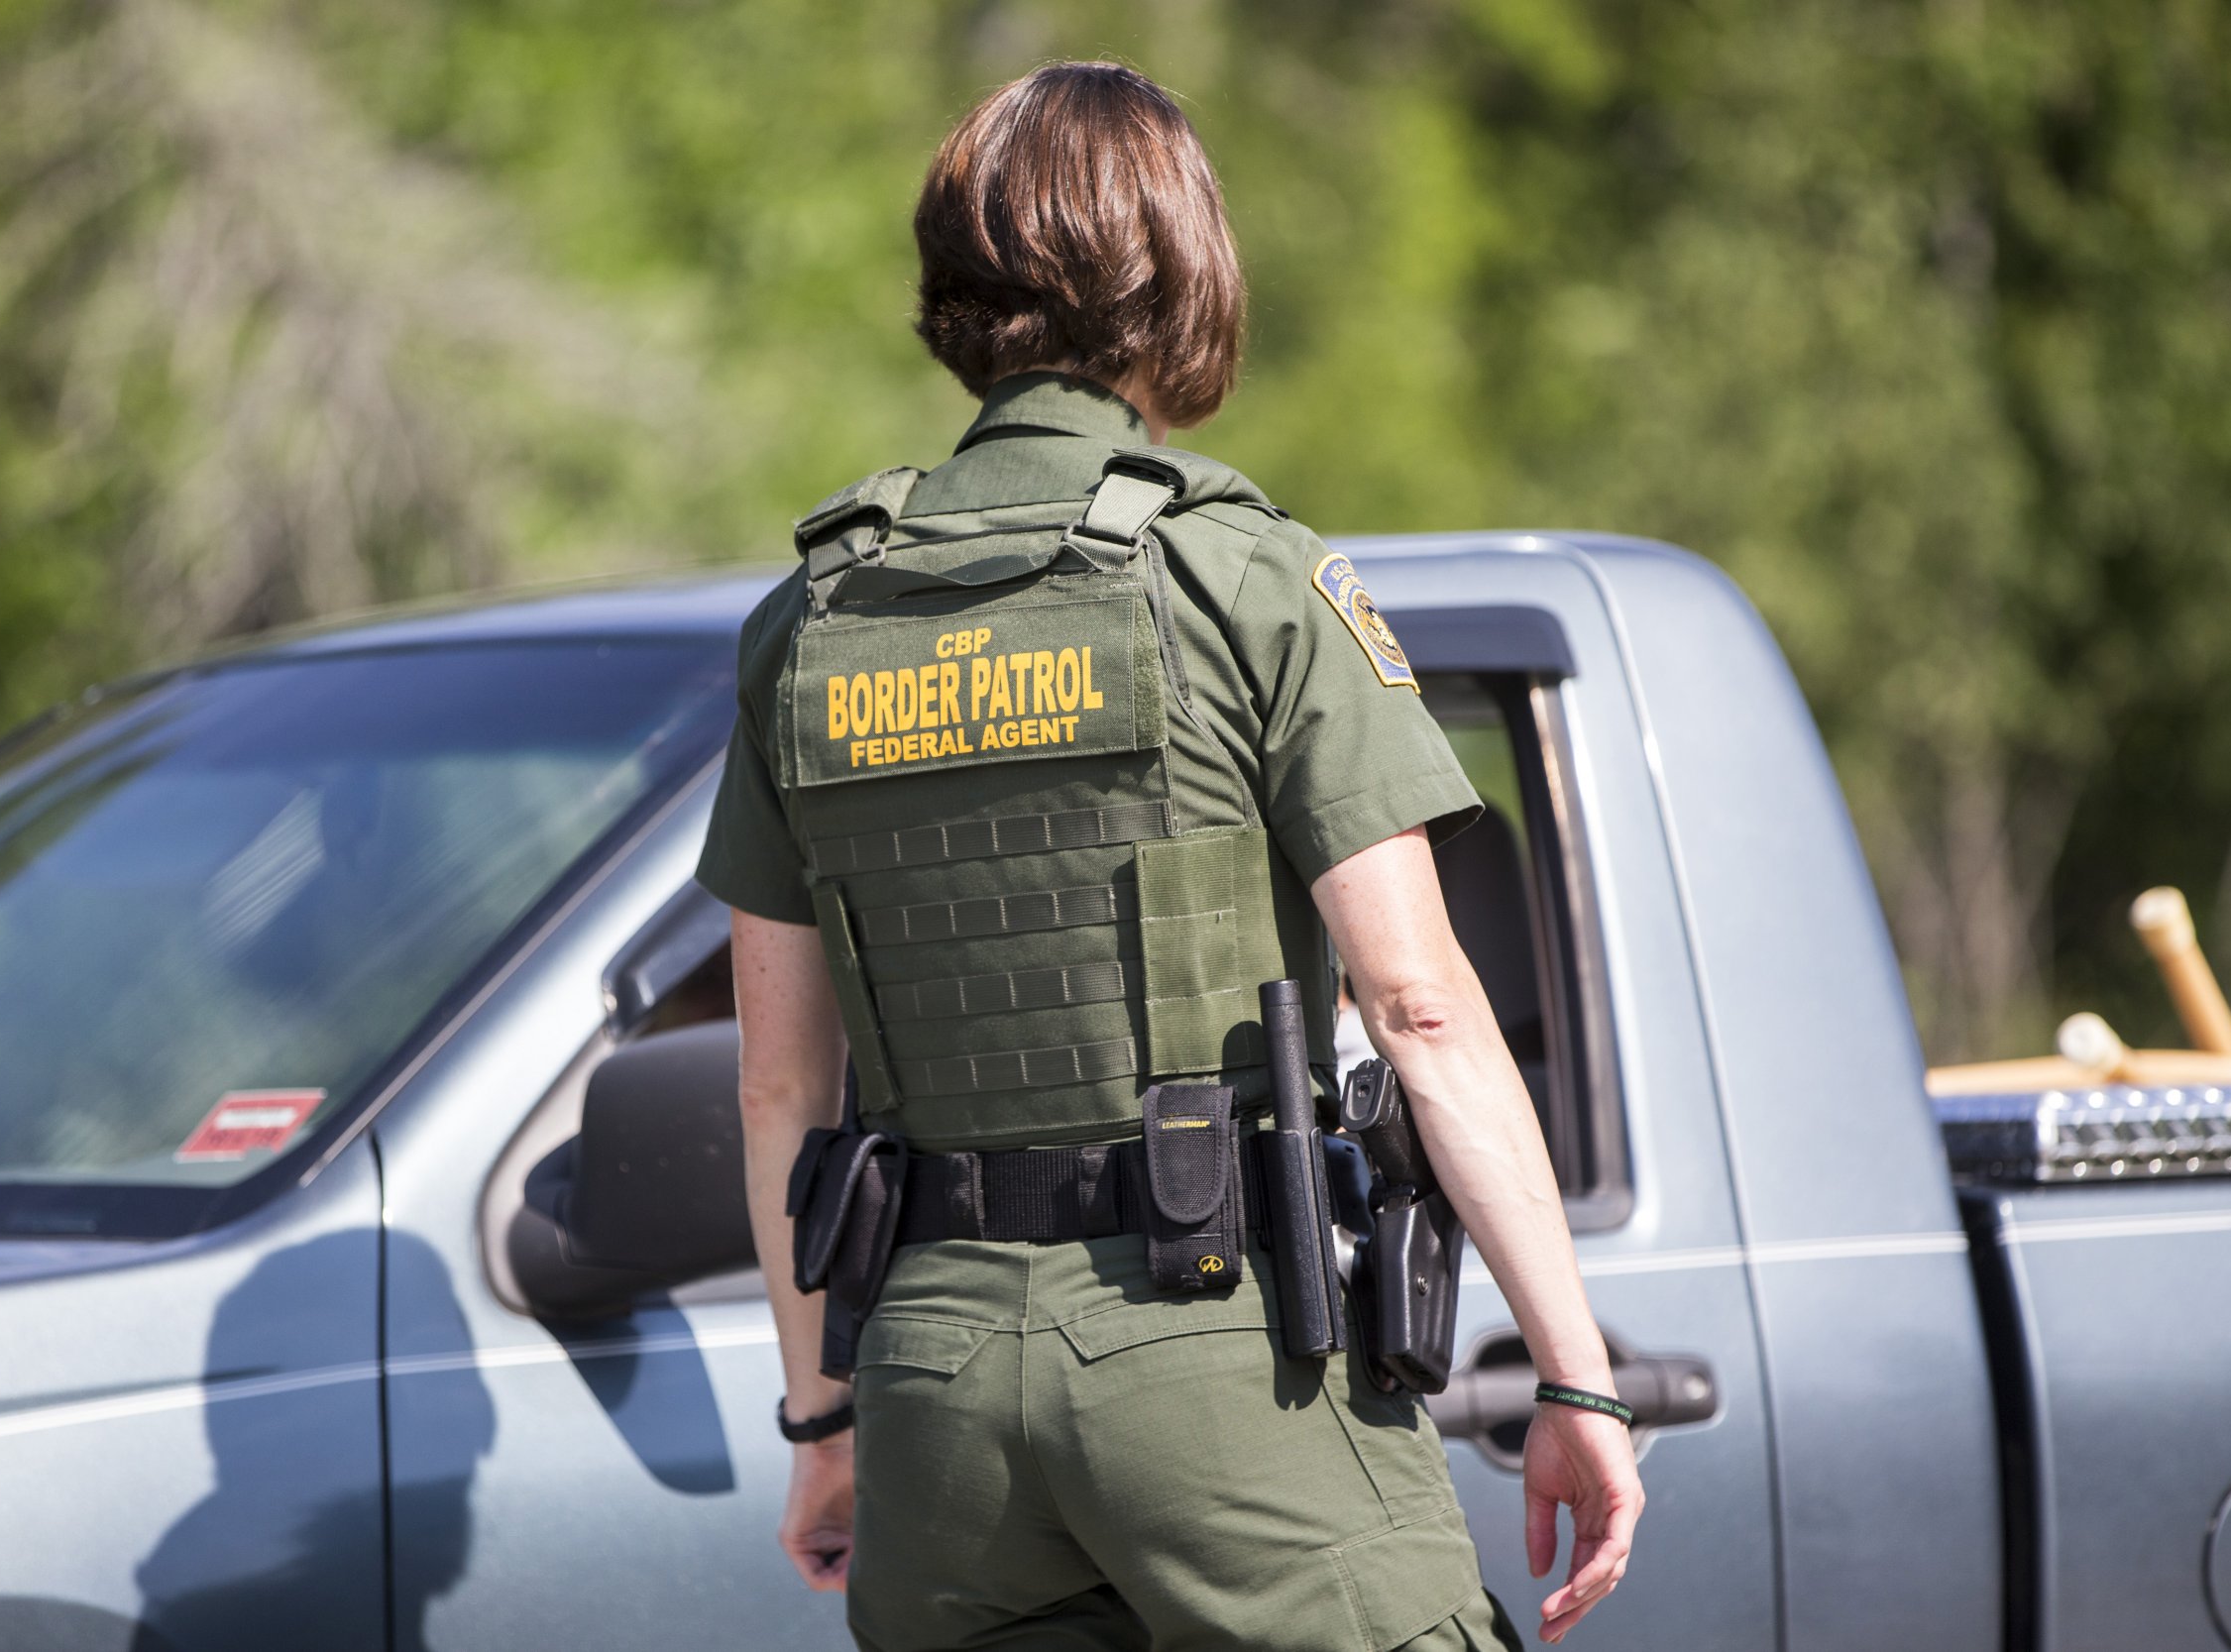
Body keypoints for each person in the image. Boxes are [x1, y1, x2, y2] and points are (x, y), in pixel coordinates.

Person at [696, 60, 1641, 1652]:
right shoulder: (1240, 579)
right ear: (1176, 277)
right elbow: (1417, 1012)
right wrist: (1574, 1375)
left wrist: (823, 1424)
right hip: (1217, 1359)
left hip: (933, 1405)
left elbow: (780, 1091)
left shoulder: (808, 625)